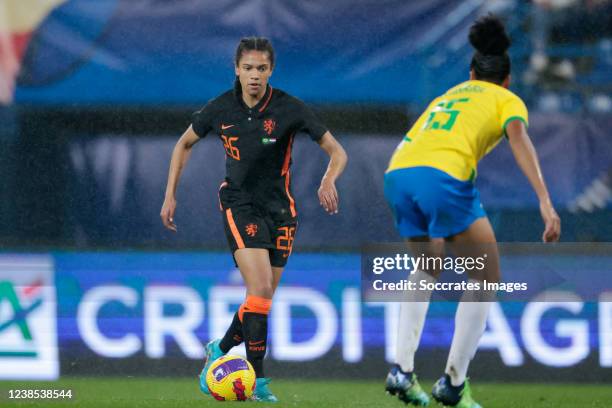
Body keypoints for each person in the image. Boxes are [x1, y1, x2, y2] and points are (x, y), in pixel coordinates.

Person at [383, 15, 560, 408]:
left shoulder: (449, 93)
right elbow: (519, 138)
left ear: (471, 71)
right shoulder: (507, 99)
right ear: (508, 79)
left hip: (397, 173)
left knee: (426, 266)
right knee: (486, 275)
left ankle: (402, 369)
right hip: (441, 177)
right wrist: (545, 201)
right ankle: (453, 383)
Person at [160, 37, 347, 402]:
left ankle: (220, 348)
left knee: (261, 300)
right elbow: (183, 144)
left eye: (261, 68)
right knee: (259, 291)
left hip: (282, 213)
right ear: (236, 69)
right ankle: (258, 380)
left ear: (270, 71)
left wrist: (328, 178)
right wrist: (170, 194)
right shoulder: (220, 108)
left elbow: (337, 152)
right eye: (248, 68)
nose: (254, 76)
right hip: (239, 204)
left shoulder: (289, 108)